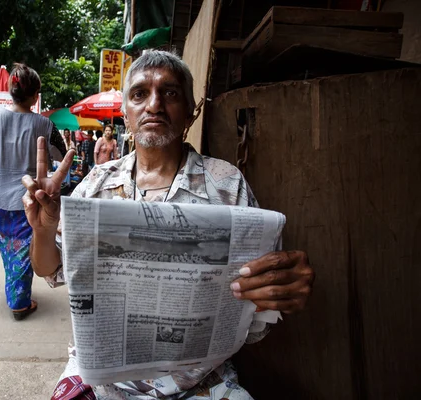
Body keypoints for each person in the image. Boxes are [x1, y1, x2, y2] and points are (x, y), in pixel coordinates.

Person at [22, 51, 314, 399]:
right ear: (126, 115)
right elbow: (50, 270)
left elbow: (256, 317)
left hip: (200, 385)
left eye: (170, 93)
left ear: (191, 111)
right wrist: (42, 229)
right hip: (102, 382)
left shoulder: (226, 184)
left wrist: (274, 292)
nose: (155, 105)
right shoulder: (96, 185)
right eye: (139, 94)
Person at [0, 63, 67, 321]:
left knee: (8, 243)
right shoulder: (44, 125)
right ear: (35, 96)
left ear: (10, 90)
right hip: (26, 197)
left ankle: (13, 288)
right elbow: (61, 152)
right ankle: (19, 302)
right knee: (24, 248)